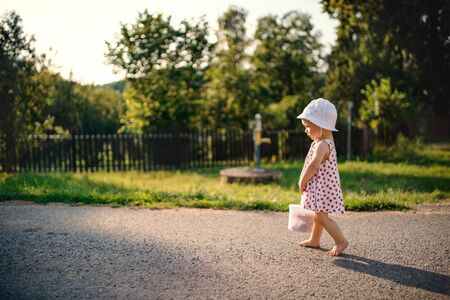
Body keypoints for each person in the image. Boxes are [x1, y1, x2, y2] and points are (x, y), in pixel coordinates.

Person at [297, 98, 349, 257]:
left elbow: (313, 166)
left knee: (321, 215)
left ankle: (341, 241)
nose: (306, 130)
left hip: (324, 188)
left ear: (322, 126)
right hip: (320, 187)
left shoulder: (322, 145)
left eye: (308, 127)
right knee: (317, 214)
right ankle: (314, 239)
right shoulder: (322, 140)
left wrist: (302, 180)